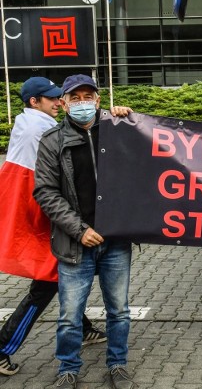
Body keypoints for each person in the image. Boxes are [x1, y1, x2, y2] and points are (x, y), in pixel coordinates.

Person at [33, 75, 135, 389]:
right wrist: (80, 230)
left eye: (87, 96)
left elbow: (147, 162)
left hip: (115, 242)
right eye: (74, 98)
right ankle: (68, 369)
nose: (81, 103)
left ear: (98, 100)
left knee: (118, 310)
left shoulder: (119, 132)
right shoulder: (52, 141)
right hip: (74, 243)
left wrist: (131, 119)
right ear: (62, 103)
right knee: (69, 315)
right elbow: (46, 192)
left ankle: (117, 364)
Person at [0, 77, 107, 377]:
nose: (58, 103)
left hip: (37, 216)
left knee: (64, 275)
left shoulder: (25, 121)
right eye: (51, 99)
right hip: (47, 219)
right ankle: (3, 346)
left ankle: (83, 329)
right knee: (46, 284)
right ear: (34, 102)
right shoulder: (42, 128)